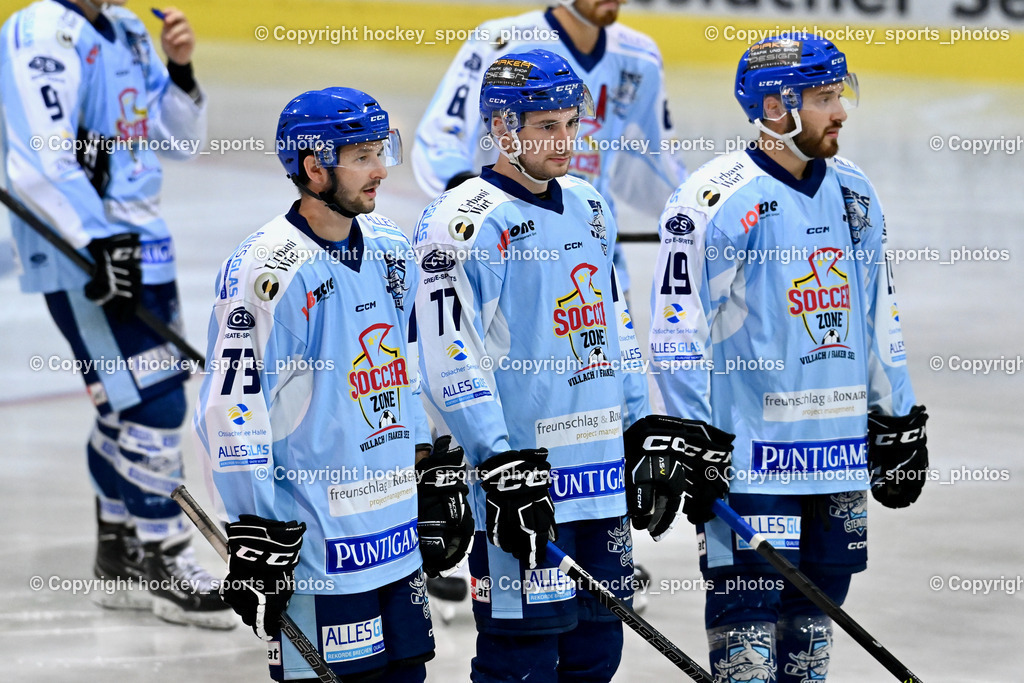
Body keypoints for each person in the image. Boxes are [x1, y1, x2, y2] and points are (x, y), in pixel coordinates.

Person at [413, 49, 726, 683]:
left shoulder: (588, 204)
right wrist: (495, 459)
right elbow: (450, 355)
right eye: (547, 127)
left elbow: (615, 324)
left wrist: (642, 429)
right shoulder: (465, 223)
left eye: (570, 124)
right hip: (525, 486)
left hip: (599, 479)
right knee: (521, 658)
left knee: (595, 656)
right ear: (504, 131)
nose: (567, 141)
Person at [650, 34, 929, 682]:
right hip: (752, 468)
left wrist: (897, 418)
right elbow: (676, 332)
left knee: (811, 639)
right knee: (746, 633)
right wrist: (694, 439)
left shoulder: (856, 193)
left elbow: (877, 311)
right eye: (825, 97)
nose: (841, 112)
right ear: (777, 107)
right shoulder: (713, 201)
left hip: (837, 461)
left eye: (840, 94)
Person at [193, 88, 474, 682]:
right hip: (322, 548)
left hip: (395, 539)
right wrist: (257, 531)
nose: (382, 169)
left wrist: (430, 465)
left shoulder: (393, 251)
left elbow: (408, 368)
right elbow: (232, 408)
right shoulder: (266, 272)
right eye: (365, 156)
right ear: (314, 167)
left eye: (384, 150)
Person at [0, 0, 233, 627]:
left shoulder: (129, 29)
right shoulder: (38, 33)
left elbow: (176, 140)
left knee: (126, 403)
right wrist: (98, 244)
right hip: (83, 249)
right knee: (156, 404)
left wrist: (180, 72)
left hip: (142, 244)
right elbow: (40, 157)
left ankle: (120, 554)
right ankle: (164, 554)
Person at [413, 0, 686, 297]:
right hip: (510, 256)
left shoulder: (639, 56)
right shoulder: (501, 41)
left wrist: (698, 214)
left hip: (596, 253)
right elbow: (442, 135)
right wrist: (479, 209)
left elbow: (654, 161)